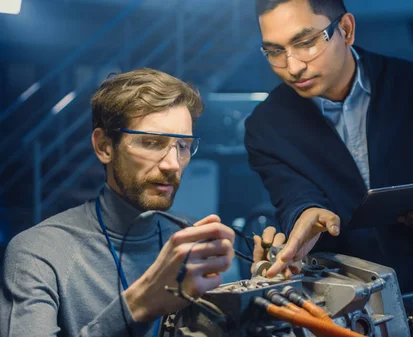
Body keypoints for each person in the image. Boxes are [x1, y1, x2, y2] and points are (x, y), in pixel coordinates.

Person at [244, 0, 413, 293]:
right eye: (275, 51)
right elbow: (291, 194)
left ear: (345, 30)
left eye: (306, 43)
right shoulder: (266, 124)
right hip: (334, 291)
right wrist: (305, 213)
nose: (293, 67)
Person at [0, 69, 236, 337]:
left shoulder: (192, 240)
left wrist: (262, 288)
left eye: (183, 146)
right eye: (151, 142)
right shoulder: (39, 253)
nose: (173, 165)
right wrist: (136, 306)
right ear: (104, 147)